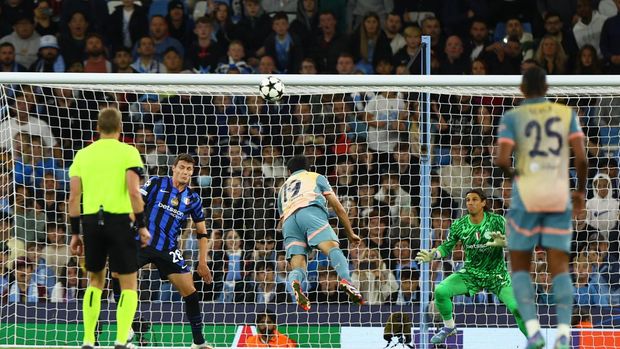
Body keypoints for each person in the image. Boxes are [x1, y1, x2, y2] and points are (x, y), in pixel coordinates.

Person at [495, 66, 588, 349]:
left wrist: (516, 177)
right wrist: (581, 191)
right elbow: (581, 158)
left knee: (520, 267)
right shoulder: (565, 114)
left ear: (522, 90)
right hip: (557, 193)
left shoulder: (513, 117)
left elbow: (500, 160)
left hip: (527, 195)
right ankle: (562, 333)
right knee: (559, 267)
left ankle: (534, 332)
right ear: (547, 89)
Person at [68, 107, 151, 349]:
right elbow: (134, 192)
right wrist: (142, 225)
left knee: (94, 281)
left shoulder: (83, 154)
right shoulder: (128, 152)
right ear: (120, 128)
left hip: (92, 222)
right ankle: (121, 338)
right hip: (119, 222)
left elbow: (74, 198)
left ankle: (88, 339)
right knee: (128, 284)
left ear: (97, 128)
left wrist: (75, 233)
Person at [112, 154, 214, 349]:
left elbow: (202, 232)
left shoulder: (193, 198)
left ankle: (198, 342)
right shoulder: (157, 182)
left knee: (190, 292)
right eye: (182, 167)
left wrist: (202, 262)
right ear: (173, 168)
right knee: (117, 272)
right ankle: (129, 324)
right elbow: (136, 203)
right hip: (141, 241)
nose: (185, 172)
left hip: (168, 248)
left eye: (189, 169)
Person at [415, 189, 526, 344]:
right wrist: (433, 254)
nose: (471, 203)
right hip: (471, 273)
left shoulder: (497, 221)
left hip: (496, 275)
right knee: (441, 291)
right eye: (468, 200)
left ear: (483, 203)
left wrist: (506, 243)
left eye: (475, 199)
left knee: (518, 309)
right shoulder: (459, 224)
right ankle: (449, 327)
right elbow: (447, 247)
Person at [278, 154, 363, 311]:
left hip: (289, 223)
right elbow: (338, 207)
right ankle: (346, 281)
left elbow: (281, 221)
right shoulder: (316, 177)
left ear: (289, 171)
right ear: (308, 168)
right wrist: (350, 233)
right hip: (310, 212)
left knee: (298, 268)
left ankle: (296, 284)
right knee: (333, 250)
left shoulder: (282, 189)